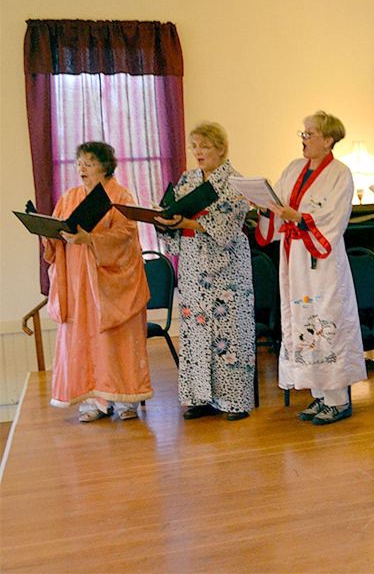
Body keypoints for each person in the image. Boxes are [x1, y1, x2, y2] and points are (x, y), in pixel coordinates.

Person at [255, 110, 367, 425]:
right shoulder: (293, 170)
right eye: (302, 133)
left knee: (325, 318)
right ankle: (319, 395)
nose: (303, 139)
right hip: (295, 260)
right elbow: (278, 205)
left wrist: (297, 218)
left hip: (322, 263)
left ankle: (338, 399)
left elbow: (333, 220)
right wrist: (266, 207)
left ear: (328, 140)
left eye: (310, 133)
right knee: (303, 321)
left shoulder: (340, 174)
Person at [44, 141, 152, 422]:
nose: (82, 168)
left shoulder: (120, 196)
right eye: (79, 163)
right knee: (84, 338)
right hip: (78, 281)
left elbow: (127, 235)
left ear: (105, 166)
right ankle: (91, 401)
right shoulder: (68, 197)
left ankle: (123, 399)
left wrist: (91, 239)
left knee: (115, 339)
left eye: (89, 163)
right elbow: (57, 232)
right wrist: (48, 234)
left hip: (111, 282)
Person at [157, 123, 255, 421]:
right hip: (192, 264)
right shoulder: (188, 179)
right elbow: (174, 217)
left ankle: (234, 400)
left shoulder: (235, 181)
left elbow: (226, 227)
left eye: (205, 146)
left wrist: (186, 223)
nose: (198, 152)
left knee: (229, 331)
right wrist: (165, 222)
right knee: (196, 329)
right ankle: (200, 397)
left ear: (221, 149)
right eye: (194, 146)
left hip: (226, 267)